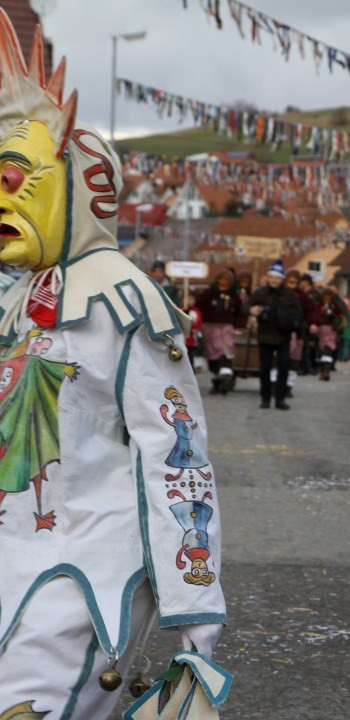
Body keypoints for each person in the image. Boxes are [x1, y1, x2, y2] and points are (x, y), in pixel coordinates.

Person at [0, 15, 225, 718]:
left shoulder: (124, 302)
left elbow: (178, 459)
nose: (2, 195)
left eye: (16, 177)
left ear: (78, 185)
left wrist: (197, 621)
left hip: (80, 582)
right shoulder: (15, 302)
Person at [250, 259, 302, 410]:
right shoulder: (260, 293)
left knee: (284, 367)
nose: (274, 280)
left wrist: (300, 336)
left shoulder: (289, 295)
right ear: (268, 278)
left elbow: (298, 315)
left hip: (283, 336)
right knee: (264, 368)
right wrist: (251, 310)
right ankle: (265, 398)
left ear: (282, 279)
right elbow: (247, 305)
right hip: (265, 336)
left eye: (277, 278)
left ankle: (280, 399)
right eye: (272, 277)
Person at [196, 270, 245, 395]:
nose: (223, 282)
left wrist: (238, 326)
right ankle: (217, 379)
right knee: (212, 355)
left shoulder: (234, 297)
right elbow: (199, 307)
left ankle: (226, 375)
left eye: (227, 280)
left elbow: (240, 313)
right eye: (221, 279)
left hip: (227, 328)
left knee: (226, 351)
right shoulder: (208, 294)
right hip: (210, 328)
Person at [314, 288, 344, 381]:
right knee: (320, 352)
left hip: (331, 330)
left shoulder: (334, 306)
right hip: (320, 331)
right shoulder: (318, 305)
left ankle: (326, 371)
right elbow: (314, 316)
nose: (327, 299)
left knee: (328, 350)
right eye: (325, 297)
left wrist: (333, 316)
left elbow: (341, 316)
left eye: (329, 298)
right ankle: (322, 371)